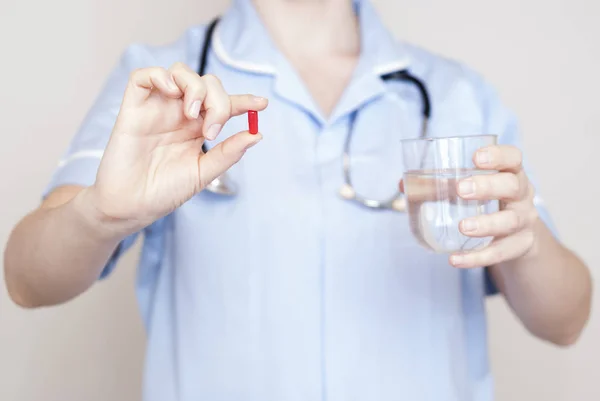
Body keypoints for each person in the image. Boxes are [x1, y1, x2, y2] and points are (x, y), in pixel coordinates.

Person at [3, 0, 592, 400]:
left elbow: (566, 321)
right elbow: (27, 279)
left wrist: (526, 240)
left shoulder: (455, 94)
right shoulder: (162, 82)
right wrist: (102, 213)